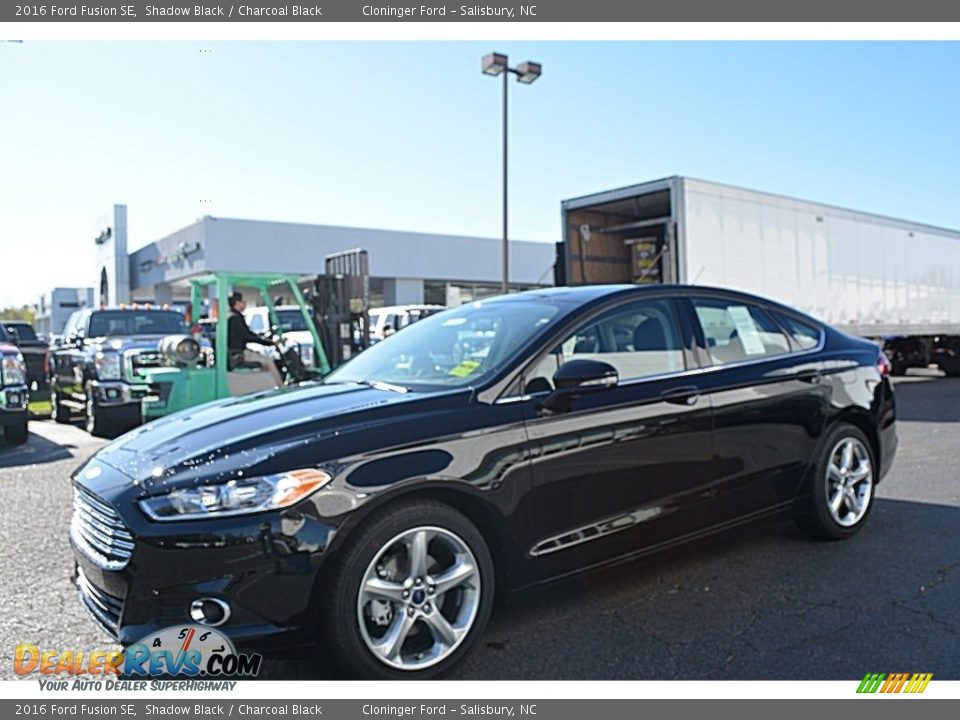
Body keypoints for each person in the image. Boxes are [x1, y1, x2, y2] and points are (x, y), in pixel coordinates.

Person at [227, 292, 283, 386]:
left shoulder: (231, 316)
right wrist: (269, 342)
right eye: (243, 302)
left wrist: (263, 338)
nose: (245, 304)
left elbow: (247, 334)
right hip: (239, 354)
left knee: (261, 356)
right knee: (268, 361)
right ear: (237, 303)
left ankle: (268, 385)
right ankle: (281, 387)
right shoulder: (235, 318)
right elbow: (248, 336)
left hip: (236, 352)